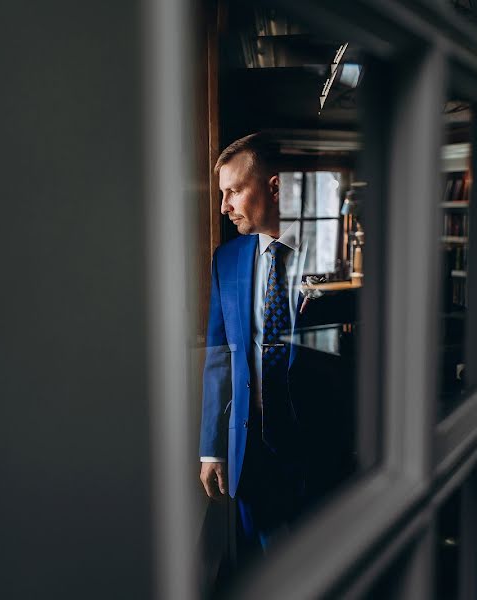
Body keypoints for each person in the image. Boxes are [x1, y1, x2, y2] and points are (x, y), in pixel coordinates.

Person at [199, 132, 318, 562]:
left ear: (274, 186)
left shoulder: (331, 252)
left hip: (319, 449)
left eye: (233, 191)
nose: (225, 206)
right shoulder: (225, 260)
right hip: (250, 450)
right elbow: (219, 358)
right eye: (222, 194)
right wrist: (212, 448)